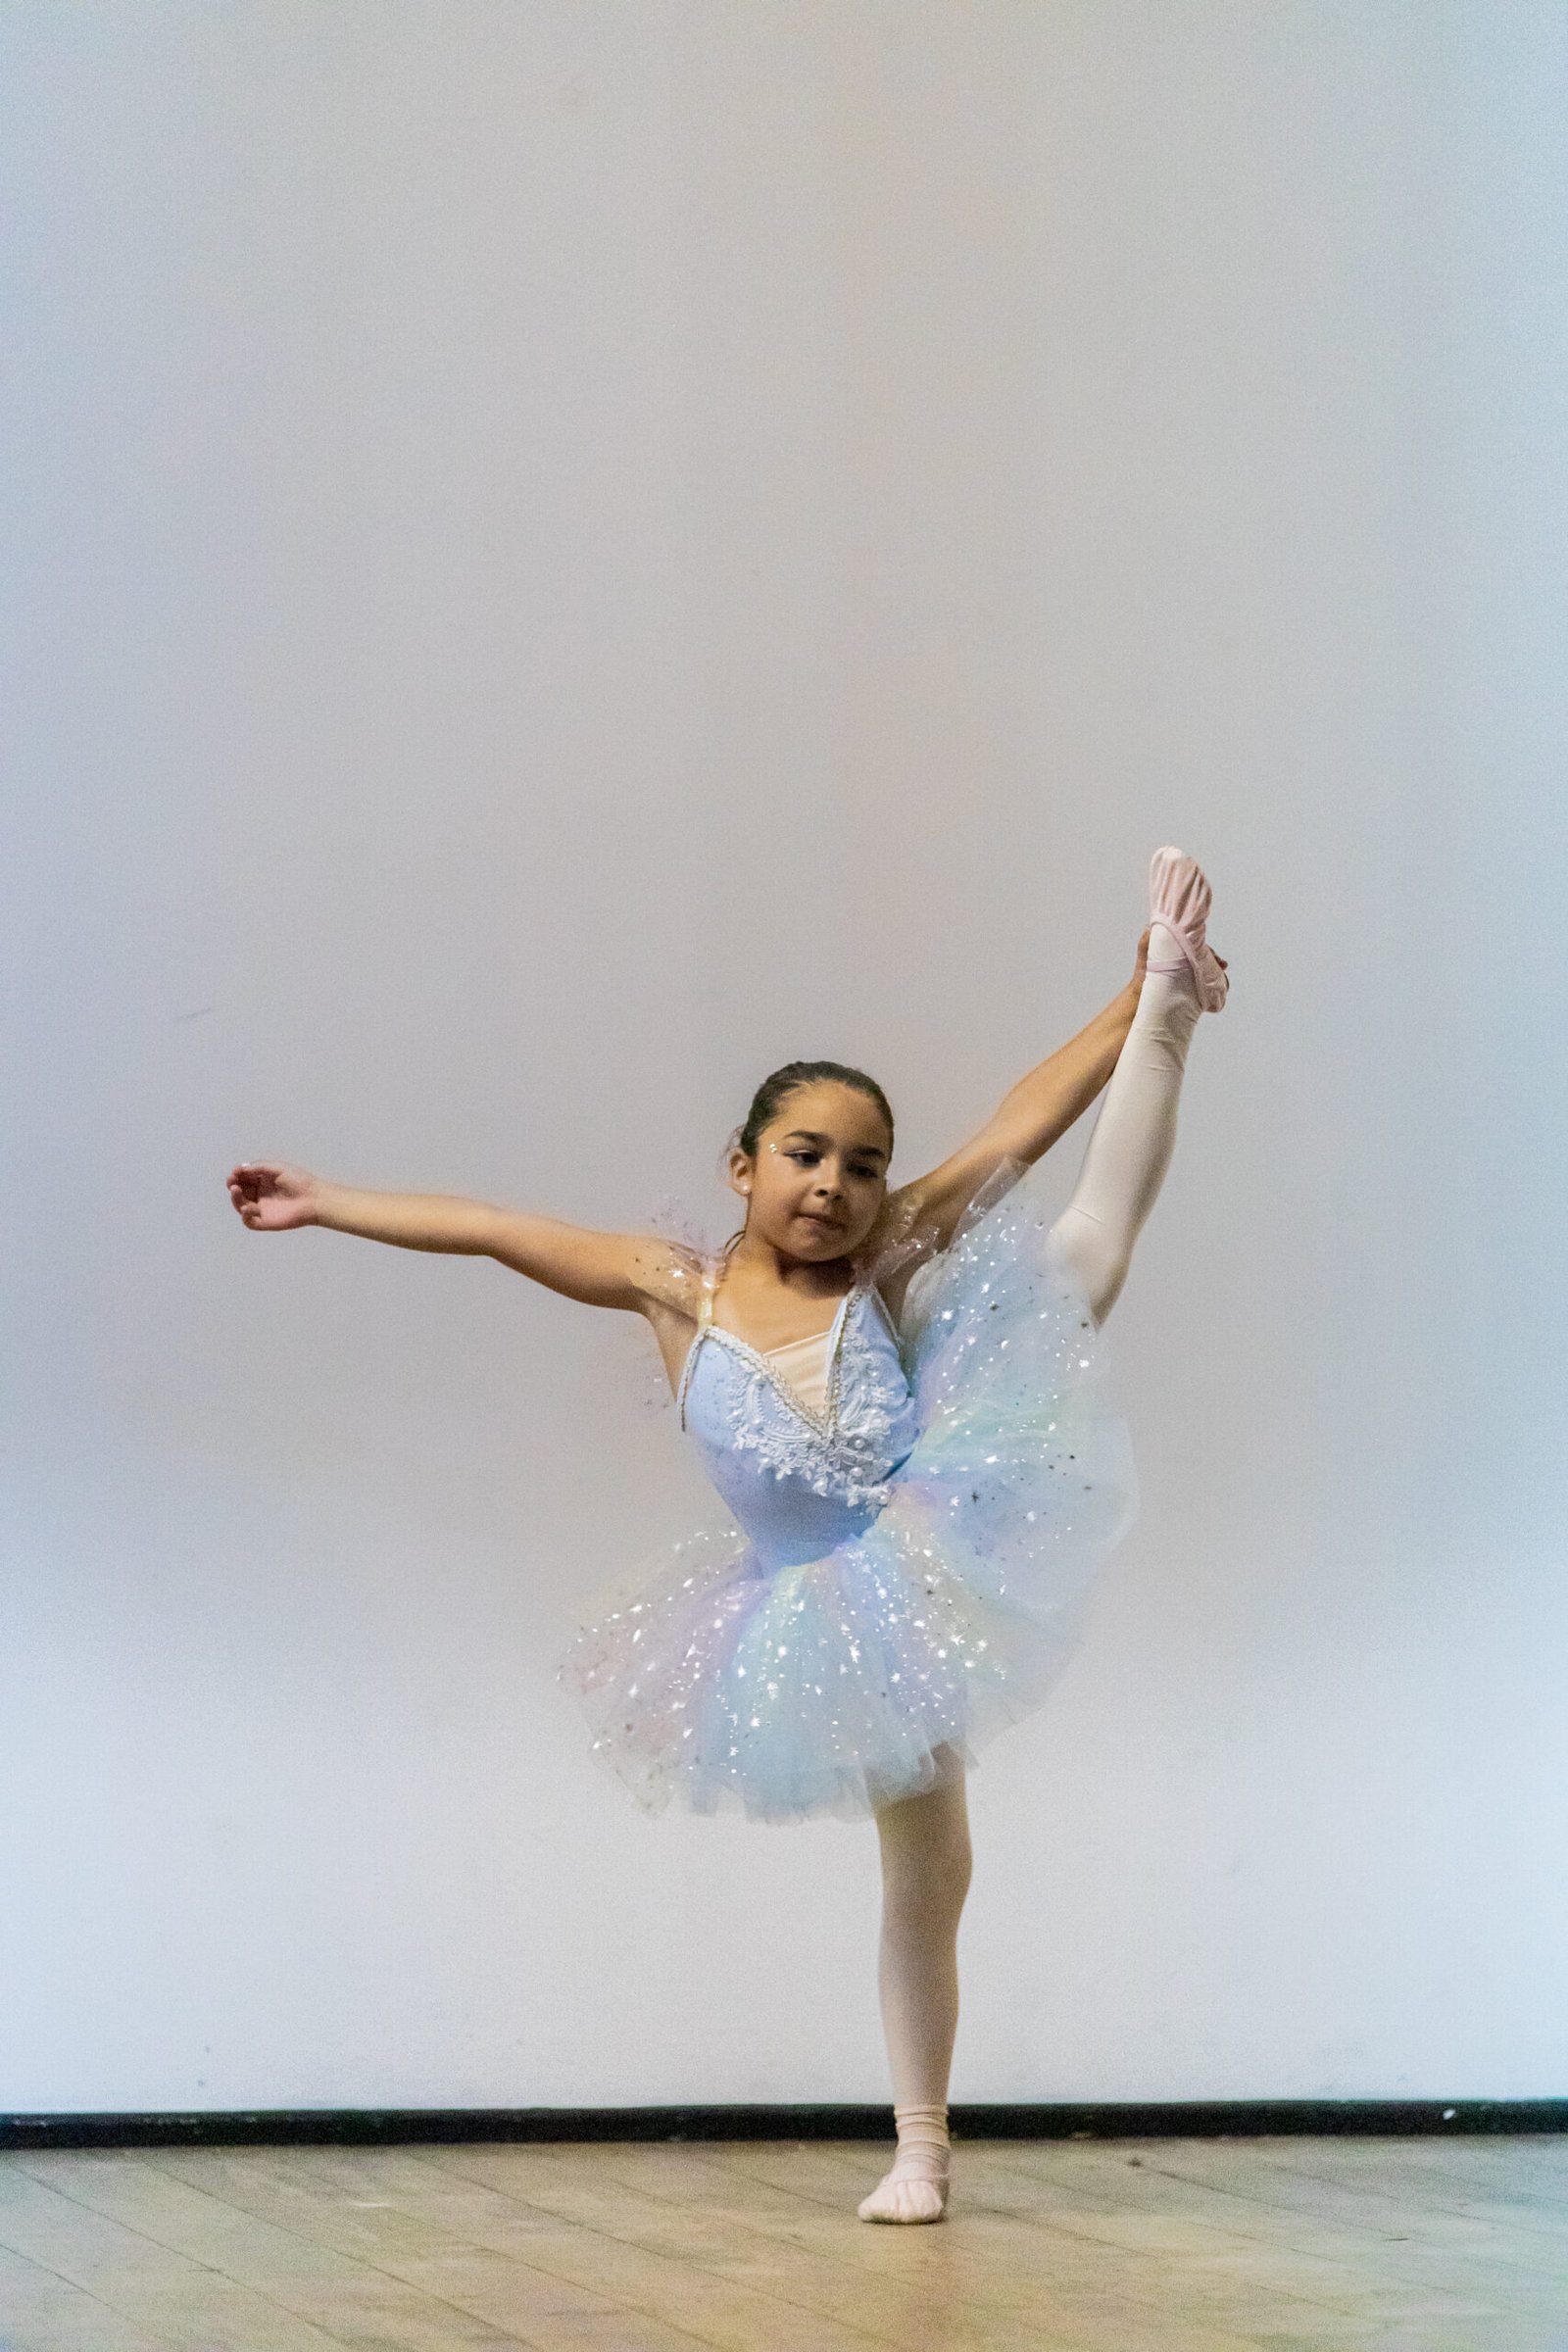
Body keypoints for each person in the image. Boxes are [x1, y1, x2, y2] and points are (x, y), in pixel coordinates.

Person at [226, 845, 1228, 2226]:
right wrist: (326, 1201)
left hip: (933, 1520)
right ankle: (921, 2148)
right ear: (743, 1165)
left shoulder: (887, 1257)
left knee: (1083, 1250)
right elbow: (493, 1228)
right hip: (817, 1604)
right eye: (805, 1156)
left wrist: (1135, 993)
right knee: (928, 1866)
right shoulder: (674, 1290)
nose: (834, 1186)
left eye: (863, 1166)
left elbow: (1017, 1125)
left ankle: (920, 2153)